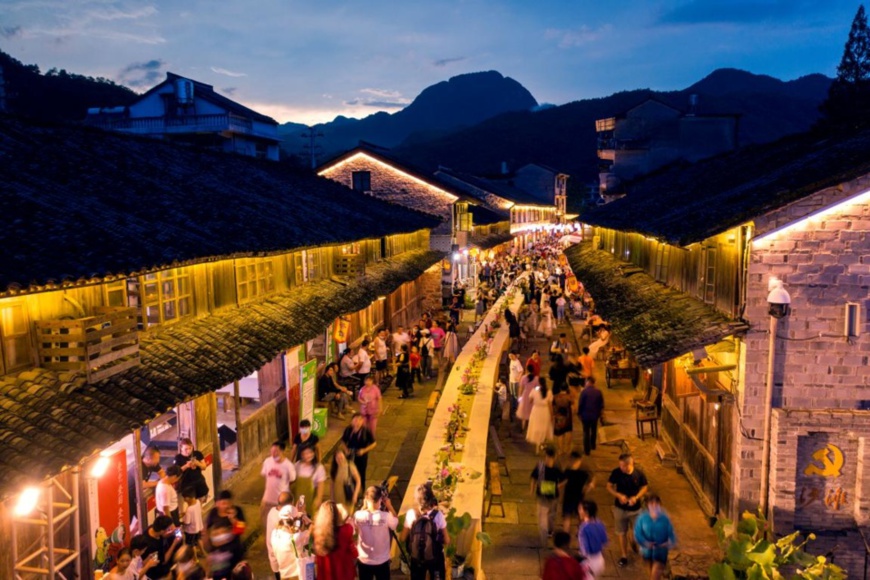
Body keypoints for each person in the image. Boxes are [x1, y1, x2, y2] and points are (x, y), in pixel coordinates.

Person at [607, 453, 649, 568]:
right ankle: (624, 556)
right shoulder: (616, 473)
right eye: (620, 465)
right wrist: (618, 495)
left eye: (622, 466)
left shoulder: (639, 474)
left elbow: (645, 487)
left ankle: (634, 540)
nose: (621, 468)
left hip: (635, 510)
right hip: (620, 509)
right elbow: (609, 486)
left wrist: (636, 497)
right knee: (621, 533)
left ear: (629, 465)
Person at [402, 483, 450, 580]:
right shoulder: (438, 515)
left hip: (417, 558)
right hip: (435, 558)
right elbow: (447, 540)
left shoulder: (411, 514)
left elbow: (402, 538)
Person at [353, 485, 398, 580]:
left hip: (364, 560)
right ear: (380, 500)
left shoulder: (358, 515)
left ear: (366, 499)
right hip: (382, 561)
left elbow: (355, 527)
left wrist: (364, 507)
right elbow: (394, 524)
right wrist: (389, 506)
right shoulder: (386, 516)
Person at [205, 490, 247, 580]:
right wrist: (209, 549)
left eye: (229, 503)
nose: (227, 506)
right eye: (223, 503)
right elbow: (205, 529)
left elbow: (241, 530)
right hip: (218, 558)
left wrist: (233, 519)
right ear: (217, 504)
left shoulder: (238, 511)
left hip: (234, 554)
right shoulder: (213, 513)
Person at [634, 495, 676, 580]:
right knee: (651, 572)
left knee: (655, 575)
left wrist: (668, 542)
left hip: (660, 552)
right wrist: (645, 543)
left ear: (660, 504)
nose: (654, 506)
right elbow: (638, 533)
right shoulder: (642, 518)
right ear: (647, 505)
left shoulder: (665, 519)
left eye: (656, 503)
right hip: (647, 552)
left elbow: (671, 534)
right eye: (651, 503)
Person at [530, 447, 566, 548]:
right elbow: (564, 479)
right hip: (553, 495)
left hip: (543, 495)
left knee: (543, 517)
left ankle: (544, 539)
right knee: (550, 515)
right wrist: (557, 486)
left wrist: (532, 490)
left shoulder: (541, 465)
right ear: (555, 456)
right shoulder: (557, 467)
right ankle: (549, 531)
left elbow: (533, 478)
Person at [313, 501, 357, 580]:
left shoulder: (318, 533)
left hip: (325, 575)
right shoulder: (346, 530)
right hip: (343, 574)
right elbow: (354, 553)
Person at [261, 442, 296, 530]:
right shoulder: (267, 462)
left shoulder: (288, 466)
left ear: (282, 451)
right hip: (267, 501)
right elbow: (266, 478)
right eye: (272, 451)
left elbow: (292, 480)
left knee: (282, 528)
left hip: (281, 504)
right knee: (266, 527)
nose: (273, 453)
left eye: (276, 451)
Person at [271, 503, 310, 580]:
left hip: (284, 576)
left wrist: (297, 515)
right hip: (297, 576)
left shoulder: (274, 534)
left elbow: (294, 529)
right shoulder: (295, 539)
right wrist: (305, 517)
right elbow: (314, 530)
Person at [341, 413, 377, 492]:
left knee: (361, 474)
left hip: (361, 456)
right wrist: (346, 450)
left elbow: (374, 443)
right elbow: (343, 441)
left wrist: (364, 450)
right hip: (350, 455)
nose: (357, 422)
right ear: (352, 421)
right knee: (349, 474)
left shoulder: (366, 431)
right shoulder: (348, 430)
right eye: (355, 420)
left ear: (362, 421)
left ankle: (361, 492)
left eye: (359, 420)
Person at [141, 515, 182, 580]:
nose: (170, 530)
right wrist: (174, 543)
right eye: (169, 529)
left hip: (159, 557)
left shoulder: (153, 528)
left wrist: (172, 532)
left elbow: (163, 536)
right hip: (154, 569)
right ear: (162, 531)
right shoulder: (152, 546)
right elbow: (164, 561)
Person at [265, 492, 295, 580]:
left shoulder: (271, 512)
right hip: (283, 564)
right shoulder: (282, 519)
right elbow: (293, 535)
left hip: (274, 561)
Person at [561, 452, 593, 532]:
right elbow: (591, 481)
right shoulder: (584, 472)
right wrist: (587, 489)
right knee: (580, 516)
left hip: (569, 497)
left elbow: (562, 482)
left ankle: (566, 534)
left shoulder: (568, 471)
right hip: (579, 497)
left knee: (567, 517)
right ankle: (580, 532)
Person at [293, 446, 328, 518]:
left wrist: (318, 500)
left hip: (311, 502)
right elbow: (292, 480)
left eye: (309, 452)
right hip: (298, 501)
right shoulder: (297, 465)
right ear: (301, 455)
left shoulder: (319, 468)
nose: (307, 455)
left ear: (314, 453)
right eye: (305, 453)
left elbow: (321, 486)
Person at [578, 501, 609, 578]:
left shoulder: (583, 528)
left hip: (589, 563)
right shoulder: (600, 523)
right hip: (600, 560)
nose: (579, 511)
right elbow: (605, 542)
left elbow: (584, 550)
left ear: (586, 512)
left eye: (580, 509)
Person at [578, 377, 604, 456]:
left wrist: (579, 414)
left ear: (588, 382)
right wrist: (600, 414)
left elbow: (580, 404)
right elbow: (601, 405)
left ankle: (587, 450)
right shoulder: (598, 392)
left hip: (585, 415)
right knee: (594, 430)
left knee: (586, 432)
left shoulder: (584, 392)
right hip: (595, 415)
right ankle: (593, 445)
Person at [330, 448, 361, 515]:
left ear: (344, 456)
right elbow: (332, 484)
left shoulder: (350, 466)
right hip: (337, 498)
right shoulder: (334, 469)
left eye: (341, 457)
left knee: (348, 516)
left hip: (348, 497)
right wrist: (332, 498)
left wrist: (355, 494)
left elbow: (358, 480)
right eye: (337, 458)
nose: (339, 460)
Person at [526, 377, 554, 449]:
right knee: (544, 427)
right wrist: (551, 415)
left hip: (536, 410)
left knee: (536, 426)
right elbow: (550, 405)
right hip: (545, 411)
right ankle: (542, 442)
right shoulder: (549, 392)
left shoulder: (534, 391)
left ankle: (537, 445)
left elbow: (530, 401)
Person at [180, 488, 205, 554]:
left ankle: (195, 558)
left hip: (190, 531)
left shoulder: (189, 509)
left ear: (189, 498)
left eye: (184, 498)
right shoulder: (198, 502)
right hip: (198, 527)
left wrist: (181, 522)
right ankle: (203, 552)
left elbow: (187, 522)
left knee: (192, 544)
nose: (184, 500)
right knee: (199, 539)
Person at [517, 363, 539, 431]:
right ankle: (530, 428)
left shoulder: (523, 377)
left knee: (524, 411)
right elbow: (537, 388)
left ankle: (523, 427)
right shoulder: (536, 378)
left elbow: (521, 388)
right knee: (531, 411)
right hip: (532, 396)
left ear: (527, 370)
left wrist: (519, 396)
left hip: (525, 395)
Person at [552, 388, 574, 456]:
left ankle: (560, 450)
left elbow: (552, 407)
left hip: (559, 418)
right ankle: (567, 449)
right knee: (568, 432)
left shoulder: (555, 397)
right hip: (568, 417)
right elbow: (574, 407)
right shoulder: (569, 397)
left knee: (560, 434)